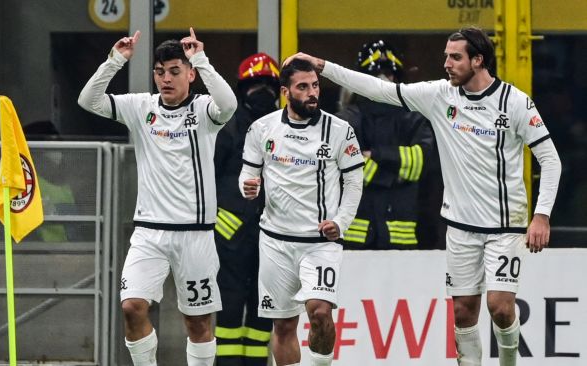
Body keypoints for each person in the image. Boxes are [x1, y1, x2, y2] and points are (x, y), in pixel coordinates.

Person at [286, 26, 561, 366]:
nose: (446, 63)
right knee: (463, 312)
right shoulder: (439, 95)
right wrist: (322, 65)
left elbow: (550, 159)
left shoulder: (514, 102)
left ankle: (508, 363)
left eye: (455, 57)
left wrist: (541, 214)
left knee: (501, 307)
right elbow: (379, 89)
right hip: (460, 228)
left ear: (478, 60)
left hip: (505, 226)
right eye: (446, 55)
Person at [78, 28, 237, 366]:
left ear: (190, 75)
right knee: (132, 307)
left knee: (197, 323)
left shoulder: (205, 110)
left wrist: (202, 59)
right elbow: (88, 100)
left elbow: (229, 104)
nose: (166, 79)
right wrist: (115, 61)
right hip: (149, 232)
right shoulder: (141, 107)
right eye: (160, 72)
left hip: (195, 235)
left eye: (175, 71)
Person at [239, 58, 364, 366]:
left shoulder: (339, 130)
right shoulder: (262, 128)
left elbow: (354, 182)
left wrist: (340, 221)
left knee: (320, 313)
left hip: (319, 242)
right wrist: (248, 185)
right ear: (286, 91)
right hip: (275, 242)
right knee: (282, 326)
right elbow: (247, 173)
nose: (312, 93)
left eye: (316, 85)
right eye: (303, 87)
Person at [336, 40, 437, 250]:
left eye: (388, 75)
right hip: (355, 240)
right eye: (374, 76)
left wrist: (377, 156)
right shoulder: (344, 121)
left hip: (403, 239)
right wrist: (399, 171)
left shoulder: (415, 118)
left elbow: (423, 163)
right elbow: (346, 170)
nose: (382, 81)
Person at [213, 53, 279, 365]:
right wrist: (218, 220)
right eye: (255, 85)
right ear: (242, 89)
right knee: (228, 306)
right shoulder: (226, 128)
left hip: (269, 234)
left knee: (262, 308)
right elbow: (207, 179)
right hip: (229, 235)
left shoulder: (283, 128)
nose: (262, 91)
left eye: (268, 84)